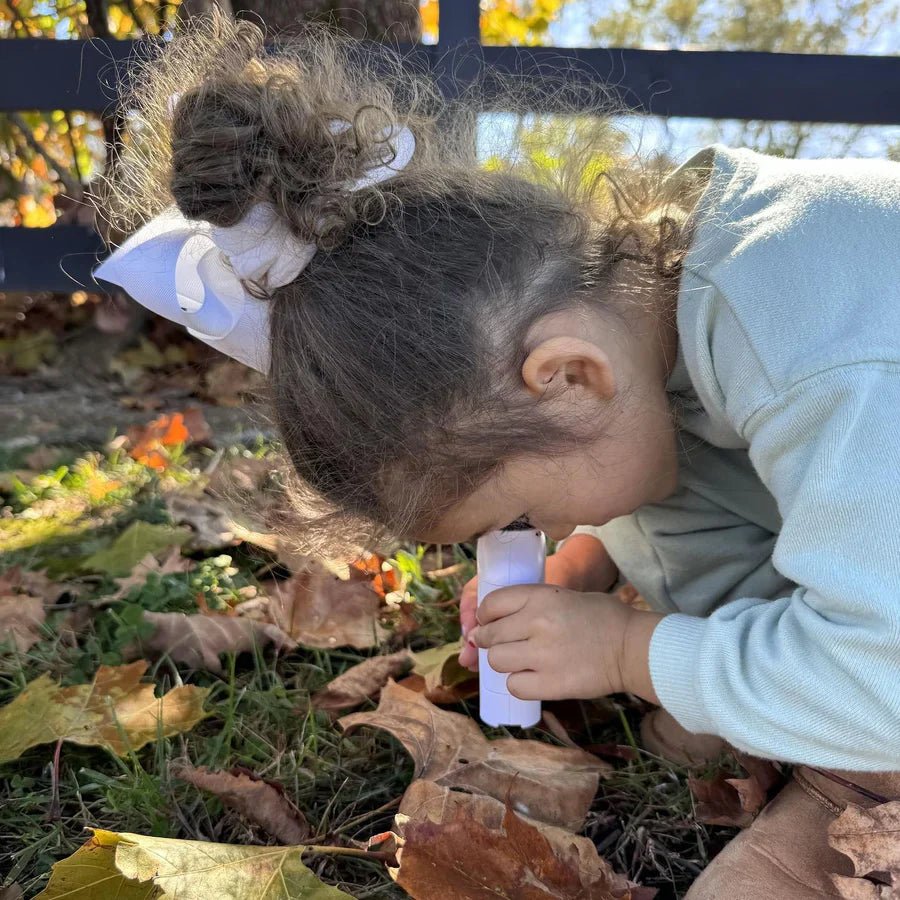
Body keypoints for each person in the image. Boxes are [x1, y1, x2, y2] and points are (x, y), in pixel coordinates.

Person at [94, 13, 900, 897]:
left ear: (565, 376)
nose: (544, 533)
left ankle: (851, 781)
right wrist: (595, 565)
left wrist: (634, 652)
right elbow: (691, 482)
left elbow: (888, 672)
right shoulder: (650, 329)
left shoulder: (818, 340)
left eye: (521, 520)